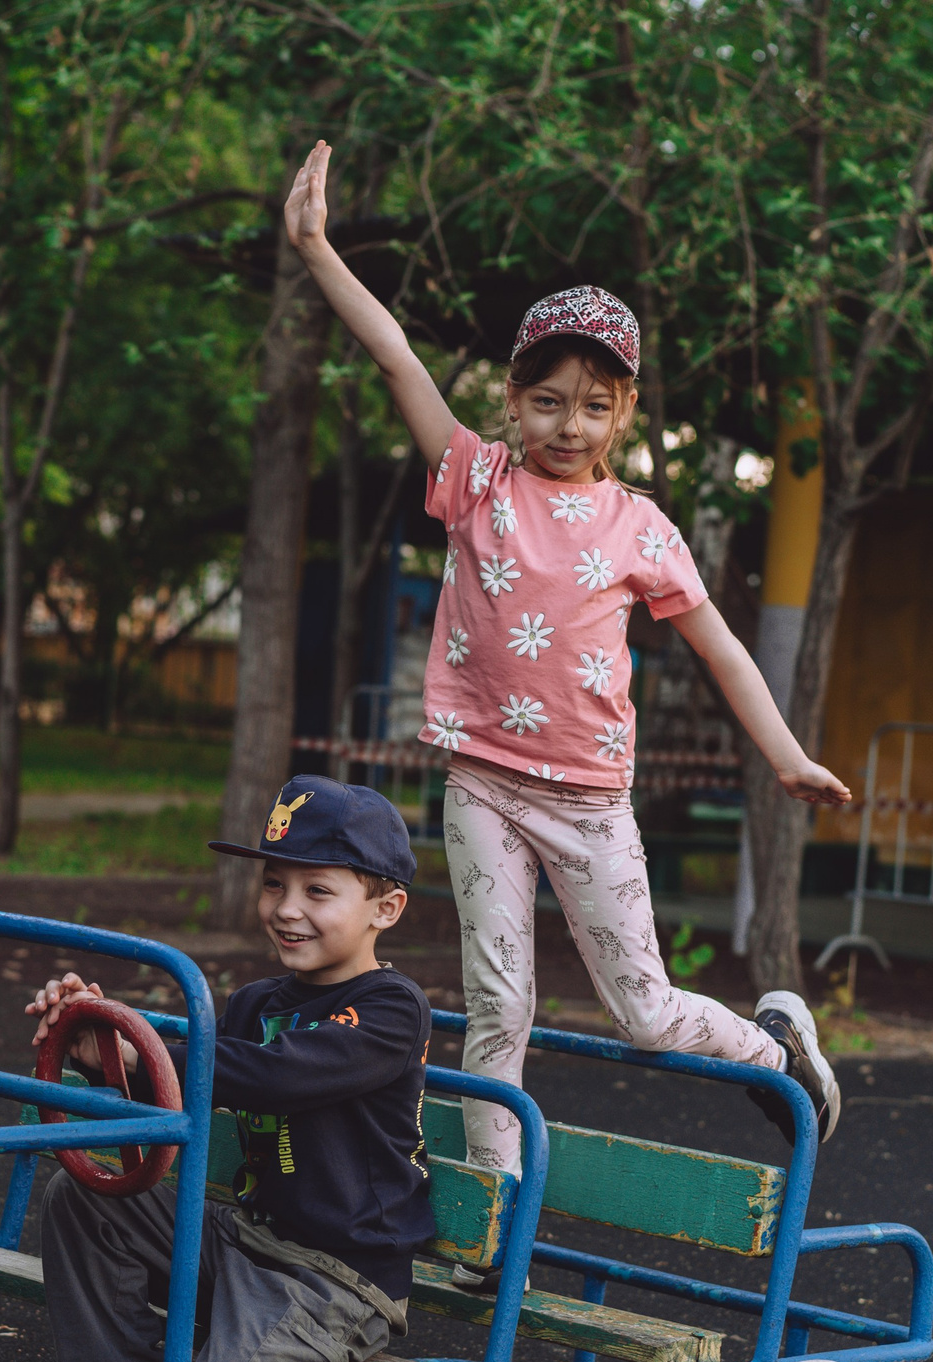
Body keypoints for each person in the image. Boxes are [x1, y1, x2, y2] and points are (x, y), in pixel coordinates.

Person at [281, 138, 851, 1205]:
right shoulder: (473, 482)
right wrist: (317, 251)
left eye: (593, 406)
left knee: (640, 1010)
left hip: (589, 801)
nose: (567, 424)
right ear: (510, 399)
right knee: (498, 1004)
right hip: (483, 782)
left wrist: (784, 757)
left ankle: (776, 1054)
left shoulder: (638, 528)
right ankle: (489, 1207)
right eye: (547, 401)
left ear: (624, 415)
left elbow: (720, 645)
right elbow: (399, 358)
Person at [24, 774, 432, 1362]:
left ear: (384, 907)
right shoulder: (251, 1004)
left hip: (337, 1273)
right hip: (246, 1238)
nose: (286, 906)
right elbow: (204, 1075)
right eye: (274, 882)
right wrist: (98, 1045)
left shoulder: (390, 1009)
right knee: (82, 1196)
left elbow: (273, 1075)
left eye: (318, 888)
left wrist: (140, 1048)